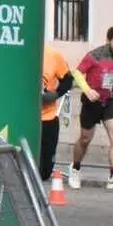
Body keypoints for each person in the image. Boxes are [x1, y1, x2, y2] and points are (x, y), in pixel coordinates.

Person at [69, 26, 113, 190]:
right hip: (92, 102)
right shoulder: (94, 56)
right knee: (85, 139)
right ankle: (75, 168)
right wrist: (87, 90)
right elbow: (77, 73)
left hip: (110, 101)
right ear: (108, 41)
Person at [40, 45, 73, 182]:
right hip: (24, 118)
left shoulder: (52, 55)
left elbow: (68, 80)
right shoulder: (19, 52)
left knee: (45, 171)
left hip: (47, 118)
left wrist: (55, 95)